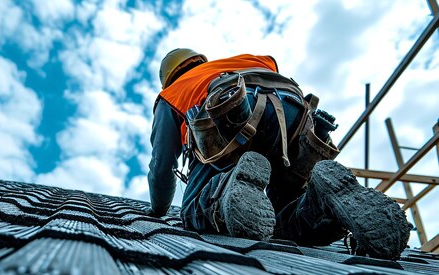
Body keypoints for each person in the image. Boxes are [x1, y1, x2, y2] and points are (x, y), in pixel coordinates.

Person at [147, 49, 410, 259]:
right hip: (294, 123)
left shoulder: (172, 93)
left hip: (230, 118)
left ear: (169, 76)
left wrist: (158, 211)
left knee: (193, 209)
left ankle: (226, 190)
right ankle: (323, 202)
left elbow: (162, 166)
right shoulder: (250, 59)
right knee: (284, 221)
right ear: (199, 59)